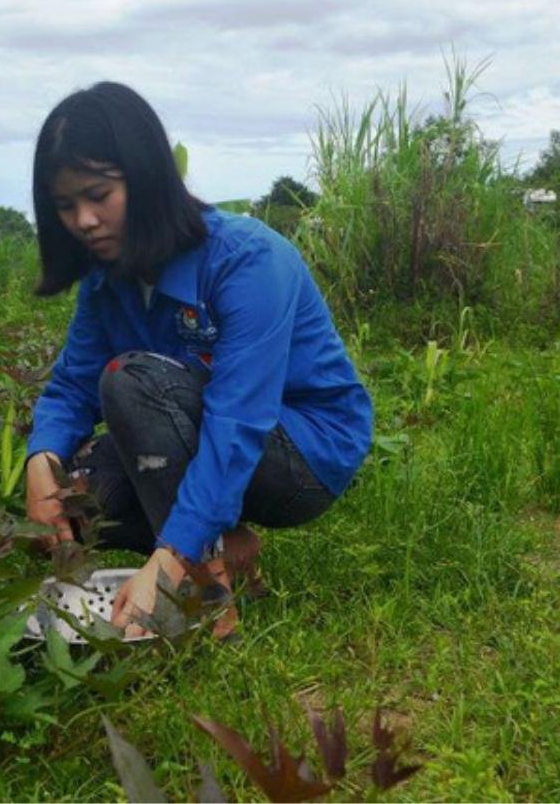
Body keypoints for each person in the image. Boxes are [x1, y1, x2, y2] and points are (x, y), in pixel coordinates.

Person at [23, 81, 373, 639]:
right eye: (66, 206)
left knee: (131, 381)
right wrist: (41, 461)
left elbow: (238, 423)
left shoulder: (249, 261)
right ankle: (228, 543)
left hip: (301, 451)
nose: (84, 220)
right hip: (194, 427)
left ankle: (207, 593)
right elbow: (70, 388)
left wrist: (169, 563)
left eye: (98, 195)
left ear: (147, 179)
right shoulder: (105, 280)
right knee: (82, 500)